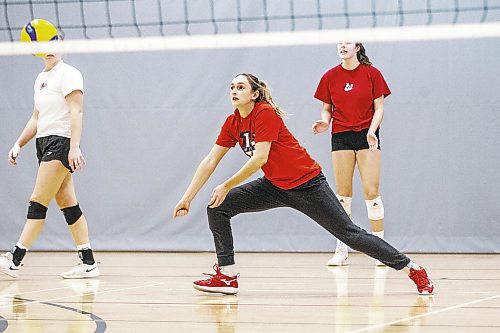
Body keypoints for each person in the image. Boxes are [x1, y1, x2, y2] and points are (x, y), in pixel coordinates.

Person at [172, 73, 434, 295]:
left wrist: (226, 184)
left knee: (350, 234)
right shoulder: (233, 122)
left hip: (307, 184)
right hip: (275, 185)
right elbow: (210, 160)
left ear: (254, 94)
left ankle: (412, 268)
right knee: (218, 207)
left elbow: (259, 158)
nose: (234, 91)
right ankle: (227, 275)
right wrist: (188, 197)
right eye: (231, 87)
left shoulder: (264, 113)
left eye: (240, 87)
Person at [0, 19, 99, 279]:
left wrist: (74, 147)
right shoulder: (41, 78)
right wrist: (18, 143)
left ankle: (16, 259)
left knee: (38, 201)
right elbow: (36, 117)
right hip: (43, 142)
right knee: (68, 202)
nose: (52, 48)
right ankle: (88, 262)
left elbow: (77, 111)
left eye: (56, 42)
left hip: (60, 142)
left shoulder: (69, 73)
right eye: (46, 44)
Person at [312, 42, 390, 266]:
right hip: (341, 136)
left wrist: (372, 131)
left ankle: (381, 251)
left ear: (357, 47)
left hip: (367, 136)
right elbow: (327, 108)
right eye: (339, 43)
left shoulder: (372, 74)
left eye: (347, 42)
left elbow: (380, 107)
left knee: (371, 192)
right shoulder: (330, 76)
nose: (342, 46)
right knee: (343, 194)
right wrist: (325, 122)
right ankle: (341, 249)